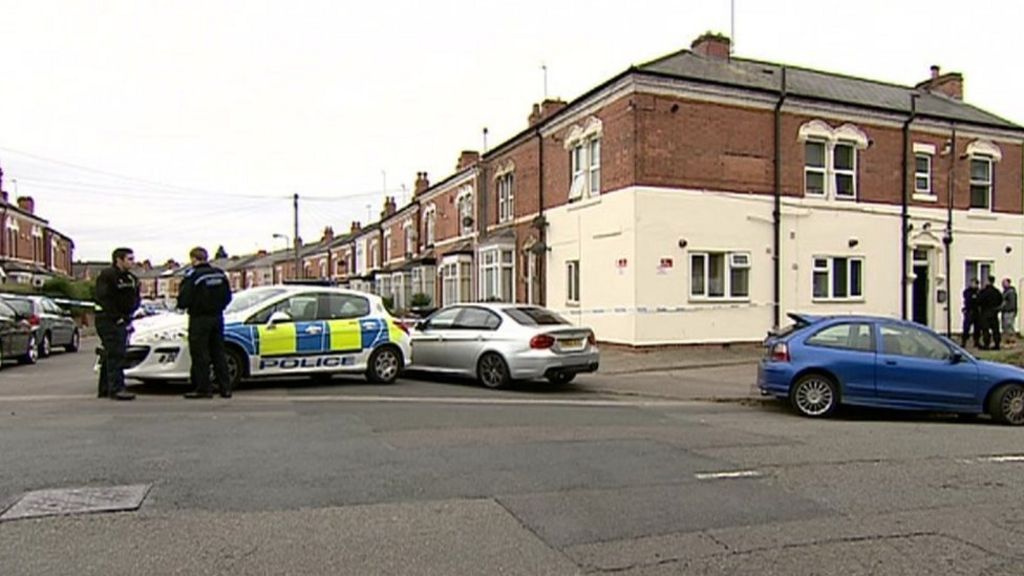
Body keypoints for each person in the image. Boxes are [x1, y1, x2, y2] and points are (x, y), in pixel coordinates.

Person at [177, 246, 233, 399]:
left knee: (200, 354)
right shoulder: (219, 274)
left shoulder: (193, 275)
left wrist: (186, 305)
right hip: (217, 317)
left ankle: (203, 388)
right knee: (218, 353)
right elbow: (228, 296)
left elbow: (184, 298)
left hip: (199, 318)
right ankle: (225, 388)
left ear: (193, 259)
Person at [95, 247, 141, 400]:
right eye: (129, 259)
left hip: (124, 319)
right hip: (108, 320)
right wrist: (116, 317)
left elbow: (135, 297)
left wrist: (131, 313)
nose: (132, 262)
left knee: (111, 353)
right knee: (116, 353)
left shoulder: (131, 278)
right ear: (119, 260)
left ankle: (105, 388)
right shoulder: (107, 276)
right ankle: (116, 388)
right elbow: (103, 298)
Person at [977, 275, 1003, 350]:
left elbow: (979, 301)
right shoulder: (996, 291)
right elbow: (1000, 300)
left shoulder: (984, 292)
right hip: (994, 312)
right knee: (995, 330)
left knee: (985, 329)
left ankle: (986, 344)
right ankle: (997, 344)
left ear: (987, 281)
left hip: (985, 312)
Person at [961, 278, 981, 348]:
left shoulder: (979, 292)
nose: (972, 284)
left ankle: (976, 342)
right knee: (966, 327)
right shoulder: (968, 291)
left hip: (976, 311)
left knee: (977, 328)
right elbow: (967, 299)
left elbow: (979, 300)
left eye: (974, 283)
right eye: (972, 283)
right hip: (969, 311)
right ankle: (964, 341)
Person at [1001, 278, 1018, 345]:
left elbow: (1011, 303)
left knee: (1009, 326)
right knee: (1006, 326)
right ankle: (1008, 340)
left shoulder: (1010, 292)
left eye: (1004, 283)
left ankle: (1011, 341)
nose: (1003, 284)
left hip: (1009, 311)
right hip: (1006, 311)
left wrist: (1005, 308)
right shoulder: (1006, 292)